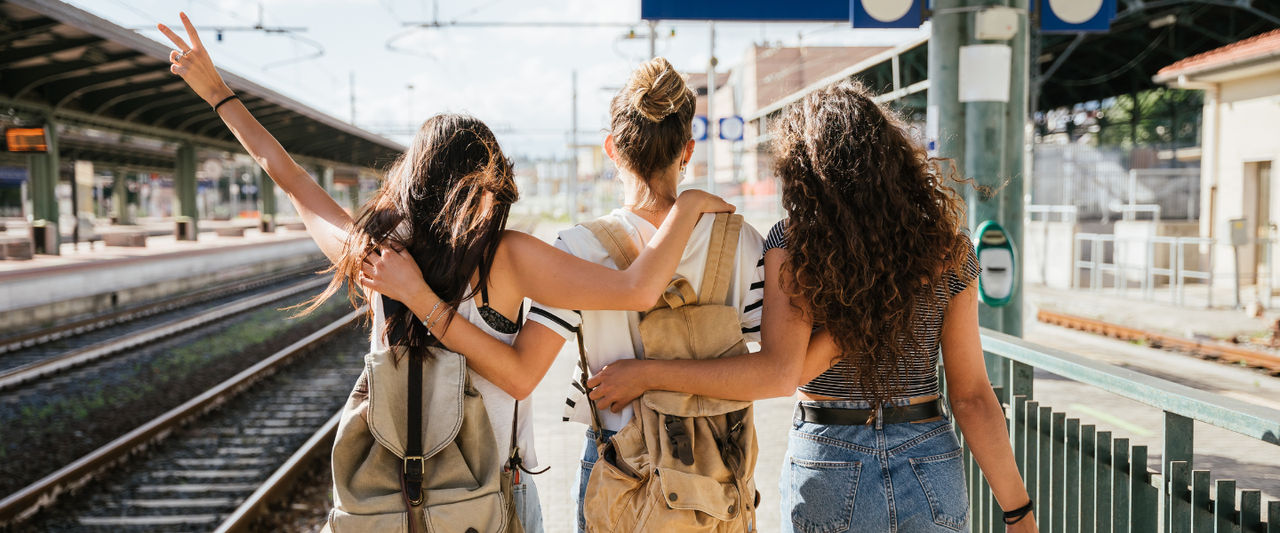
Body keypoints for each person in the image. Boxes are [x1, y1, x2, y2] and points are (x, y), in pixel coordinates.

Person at [157, 14, 735, 532]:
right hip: (492, 496)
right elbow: (635, 290)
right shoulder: (505, 257)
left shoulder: (375, 255)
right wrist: (684, 209)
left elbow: (289, 178)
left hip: (395, 499)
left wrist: (217, 93)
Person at [586, 80, 1039, 532]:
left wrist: (646, 375)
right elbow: (972, 397)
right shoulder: (946, 250)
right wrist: (1018, 511)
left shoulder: (798, 243)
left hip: (830, 458)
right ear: (891, 159)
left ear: (805, 171)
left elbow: (783, 373)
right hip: (928, 456)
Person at [364, 57, 766, 532]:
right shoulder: (741, 241)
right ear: (688, 151)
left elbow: (523, 372)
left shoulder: (580, 247)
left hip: (618, 466)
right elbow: (768, 373)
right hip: (718, 471)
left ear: (612, 150)